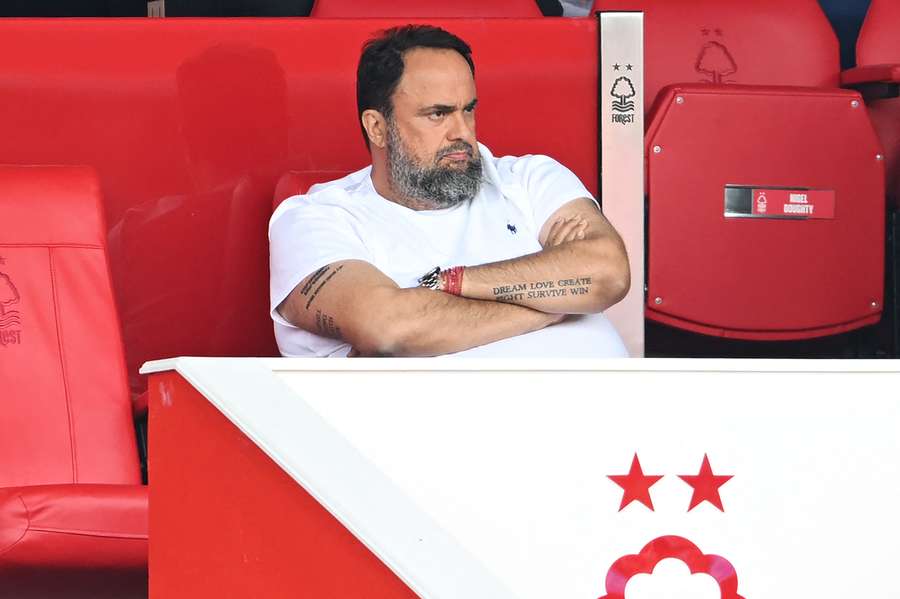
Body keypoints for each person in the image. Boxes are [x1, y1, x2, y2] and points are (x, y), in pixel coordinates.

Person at [269, 25, 630, 357]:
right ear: (377, 127)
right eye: (437, 114)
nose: (463, 132)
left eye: (468, 110)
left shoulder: (529, 178)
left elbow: (607, 273)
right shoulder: (314, 218)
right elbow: (389, 327)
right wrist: (559, 301)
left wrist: (451, 283)